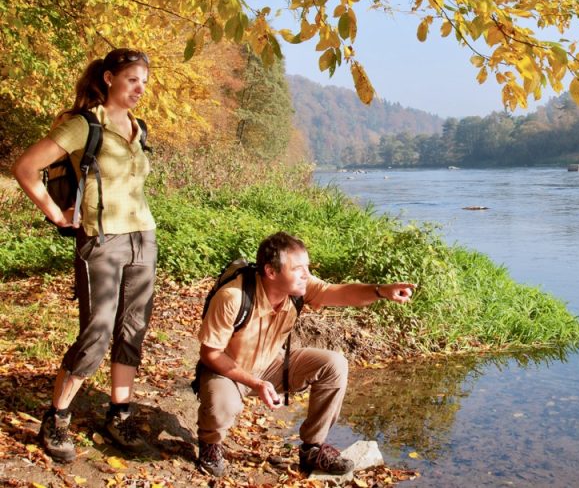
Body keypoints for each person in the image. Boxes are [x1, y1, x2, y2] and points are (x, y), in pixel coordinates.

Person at [11, 48, 157, 462]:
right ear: (109, 78)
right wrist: (56, 214)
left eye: (144, 83)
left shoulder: (138, 127)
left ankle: (119, 413)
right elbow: (25, 167)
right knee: (97, 332)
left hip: (143, 238)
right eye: (132, 80)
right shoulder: (84, 124)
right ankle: (57, 417)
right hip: (102, 240)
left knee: (133, 329)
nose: (139, 89)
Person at [195, 231, 416, 478]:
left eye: (307, 267)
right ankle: (210, 444)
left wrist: (380, 291)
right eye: (298, 269)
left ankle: (312, 449)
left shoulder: (298, 288)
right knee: (223, 404)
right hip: (228, 370)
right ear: (271, 272)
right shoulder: (233, 298)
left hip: (271, 364)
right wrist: (255, 383)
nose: (306, 275)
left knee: (334, 364)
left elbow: (340, 293)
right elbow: (210, 354)